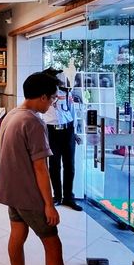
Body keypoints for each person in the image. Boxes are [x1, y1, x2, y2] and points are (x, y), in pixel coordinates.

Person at [0, 71, 93, 265]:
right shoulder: (34, 123)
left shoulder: (10, 116)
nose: (52, 103)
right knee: (53, 245)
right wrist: (49, 205)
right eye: (51, 98)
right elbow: (41, 168)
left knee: (17, 234)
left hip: (11, 191)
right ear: (41, 97)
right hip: (29, 195)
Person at [41, 68, 82, 211]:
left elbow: (73, 113)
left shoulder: (66, 93)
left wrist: (75, 133)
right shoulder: (44, 96)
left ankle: (68, 197)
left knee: (69, 165)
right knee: (54, 165)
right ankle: (57, 196)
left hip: (68, 130)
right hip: (51, 131)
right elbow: (40, 115)